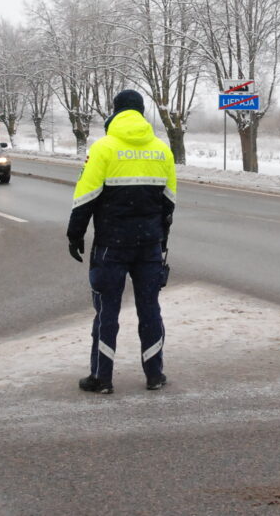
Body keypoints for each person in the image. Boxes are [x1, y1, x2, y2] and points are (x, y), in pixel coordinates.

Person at [67, 89, 176, 394]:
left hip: (111, 246)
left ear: (115, 112)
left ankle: (102, 378)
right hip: (149, 246)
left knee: (107, 311)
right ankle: (155, 375)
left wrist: (75, 235)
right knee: (150, 309)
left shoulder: (103, 148)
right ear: (141, 113)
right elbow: (169, 204)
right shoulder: (161, 150)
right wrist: (160, 240)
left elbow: (85, 197)